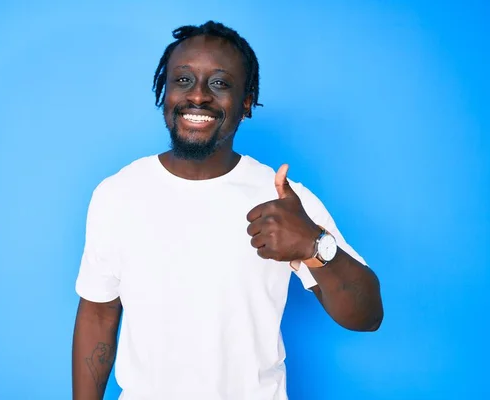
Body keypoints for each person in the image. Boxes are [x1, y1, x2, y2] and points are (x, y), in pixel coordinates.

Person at [72, 20, 383, 400]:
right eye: (183, 80)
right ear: (164, 91)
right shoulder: (117, 193)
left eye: (219, 83)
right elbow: (99, 313)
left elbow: (367, 317)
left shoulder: (283, 199)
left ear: (247, 101)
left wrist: (316, 246)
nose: (199, 96)